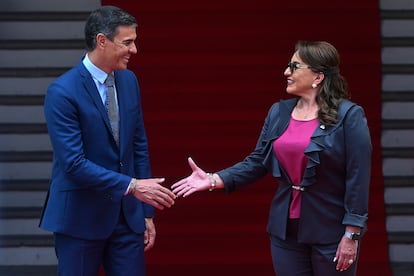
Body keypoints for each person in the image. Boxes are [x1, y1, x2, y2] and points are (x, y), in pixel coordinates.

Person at [172, 40, 371, 275]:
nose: (286, 72)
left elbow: (358, 176)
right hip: (285, 230)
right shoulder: (279, 112)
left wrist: (352, 233)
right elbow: (258, 161)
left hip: (330, 230)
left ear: (318, 76)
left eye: (295, 67)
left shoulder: (349, 116)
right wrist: (214, 179)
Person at [39, 6, 176, 276]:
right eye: (127, 42)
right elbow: (73, 163)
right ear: (102, 41)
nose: (134, 50)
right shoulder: (62, 91)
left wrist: (146, 211)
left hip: (126, 220)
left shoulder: (129, 81)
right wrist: (132, 186)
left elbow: (138, 145)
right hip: (79, 219)